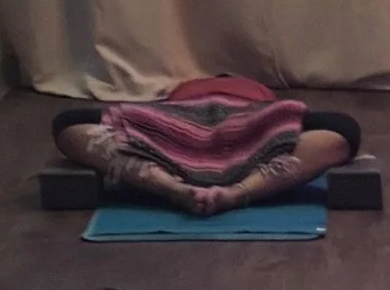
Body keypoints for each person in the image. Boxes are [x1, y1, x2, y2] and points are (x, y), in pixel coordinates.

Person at [52, 76, 360, 217]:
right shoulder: (184, 90)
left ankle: (231, 193)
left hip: (250, 121)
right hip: (175, 121)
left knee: (343, 131)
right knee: (68, 125)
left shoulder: (257, 95)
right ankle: (177, 188)